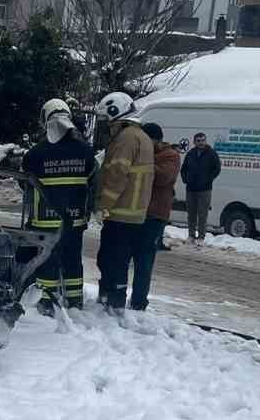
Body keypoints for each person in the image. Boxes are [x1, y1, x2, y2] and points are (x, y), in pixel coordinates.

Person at [23, 98, 96, 313]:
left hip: (45, 220)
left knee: (47, 261)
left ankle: (46, 301)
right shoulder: (86, 151)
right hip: (75, 219)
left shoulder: (35, 153)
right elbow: (92, 181)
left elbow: (24, 183)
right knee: (72, 259)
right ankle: (74, 301)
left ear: (46, 120)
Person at [94, 92, 155, 311]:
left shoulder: (126, 138)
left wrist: (104, 206)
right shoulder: (141, 136)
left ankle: (112, 301)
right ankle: (113, 299)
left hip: (120, 213)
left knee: (111, 260)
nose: (104, 125)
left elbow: (117, 175)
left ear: (114, 111)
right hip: (134, 214)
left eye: (105, 119)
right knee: (118, 261)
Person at [129, 123, 181, 311]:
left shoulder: (170, 155)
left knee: (144, 261)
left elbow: (162, 177)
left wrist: (142, 162)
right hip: (136, 212)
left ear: (155, 139)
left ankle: (139, 302)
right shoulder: (149, 154)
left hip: (154, 215)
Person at [181, 131, 222, 243]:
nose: (201, 143)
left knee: (202, 214)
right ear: (194, 142)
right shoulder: (190, 154)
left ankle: (201, 237)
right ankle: (191, 235)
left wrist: (208, 179)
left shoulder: (211, 153)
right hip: (191, 189)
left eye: (203, 140)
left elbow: (217, 169)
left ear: (205, 141)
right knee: (191, 214)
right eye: (198, 141)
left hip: (205, 189)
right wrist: (186, 180)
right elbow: (183, 169)